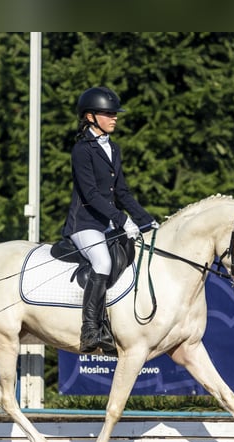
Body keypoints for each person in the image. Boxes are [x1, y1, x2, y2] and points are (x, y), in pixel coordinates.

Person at [62, 86, 158, 354]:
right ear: (91, 117)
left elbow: (122, 192)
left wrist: (146, 220)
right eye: (109, 113)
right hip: (85, 224)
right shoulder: (82, 150)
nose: (115, 117)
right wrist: (121, 219)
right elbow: (91, 194)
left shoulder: (113, 148)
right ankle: (91, 330)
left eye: (115, 113)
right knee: (103, 261)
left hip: (108, 225)